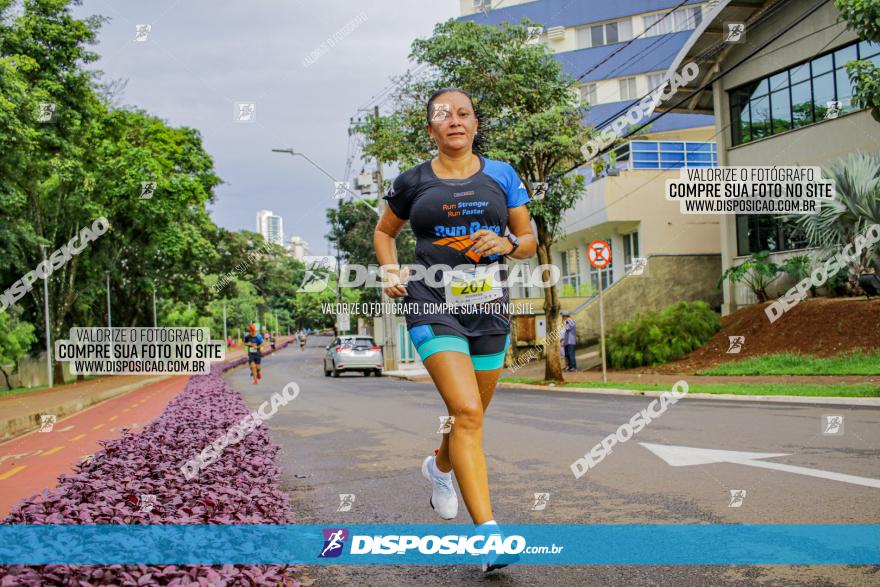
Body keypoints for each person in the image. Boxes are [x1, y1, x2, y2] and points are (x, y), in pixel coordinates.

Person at [373, 87, 537, 573]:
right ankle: (488, 538)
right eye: (444, 116)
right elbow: (386, 232)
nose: (455, 121)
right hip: (431, 302)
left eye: (464, 113)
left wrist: (507, 243)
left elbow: (528, 240)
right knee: (465, 410)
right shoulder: (411, 182)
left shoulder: (503, 175)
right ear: (431, 129)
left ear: (474, 124)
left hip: (488, 308)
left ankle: (439, 466)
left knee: (469, 417)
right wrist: (389, 270)